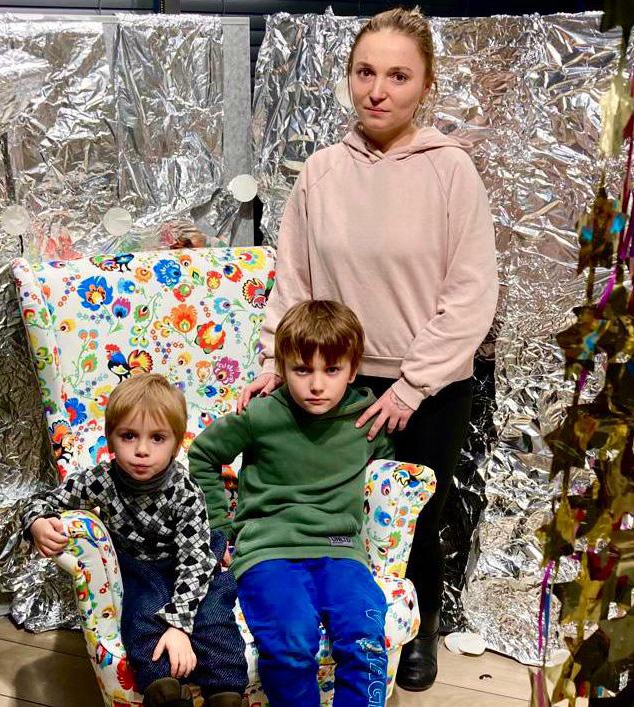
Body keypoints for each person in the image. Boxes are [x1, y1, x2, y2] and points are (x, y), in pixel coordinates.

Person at [238, 6, 498, 693]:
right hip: (335, 377)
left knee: (414, 518)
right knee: (334, 511)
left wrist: (413, 385)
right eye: (364, 72)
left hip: (426, 386)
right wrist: (272, 362)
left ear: (426, 84)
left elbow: (472, 292)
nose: (377, 91)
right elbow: (293, 278)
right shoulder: (322, 171)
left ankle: (418, 627)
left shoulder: (451, 171)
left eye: (398, 76)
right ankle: (340, 629)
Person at [189, 300, 394, 707]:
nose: (317, 385)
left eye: (331, 370)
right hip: (269, 551)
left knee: (364, 639)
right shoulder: (261, 415)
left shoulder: (367, 422)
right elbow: (203, 455)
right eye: (302, 370)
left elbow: (388, 466)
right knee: (291, 641)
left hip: (341, 552)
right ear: (281, 367)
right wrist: (220, 528)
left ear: (353, 370)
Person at [22, 374, 247, 707]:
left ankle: (226, 692)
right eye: (128, 436)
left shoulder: (184, 492)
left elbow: (194, 564)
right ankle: (163, 688)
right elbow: (44, 499)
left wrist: (179, 627)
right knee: (139, 618)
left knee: (214, 618)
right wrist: (38, 521)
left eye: (157, 438)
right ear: (110, 440)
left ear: (176, 444)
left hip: (191, 564)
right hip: (140, 568)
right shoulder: (101, 480)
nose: (142, 450)